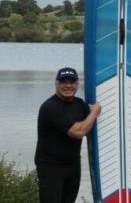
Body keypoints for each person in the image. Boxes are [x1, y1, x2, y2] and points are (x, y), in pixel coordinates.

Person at [34, 67, 101, 203]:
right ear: (56, 84)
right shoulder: (50, 107)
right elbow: (78, 132)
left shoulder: (79, 104)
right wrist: (94, 112)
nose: (68, 86)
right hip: (51, 167)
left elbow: (89, 127)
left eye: (72, 82)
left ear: (77, 84)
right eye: (64, 82)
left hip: (73, 165)